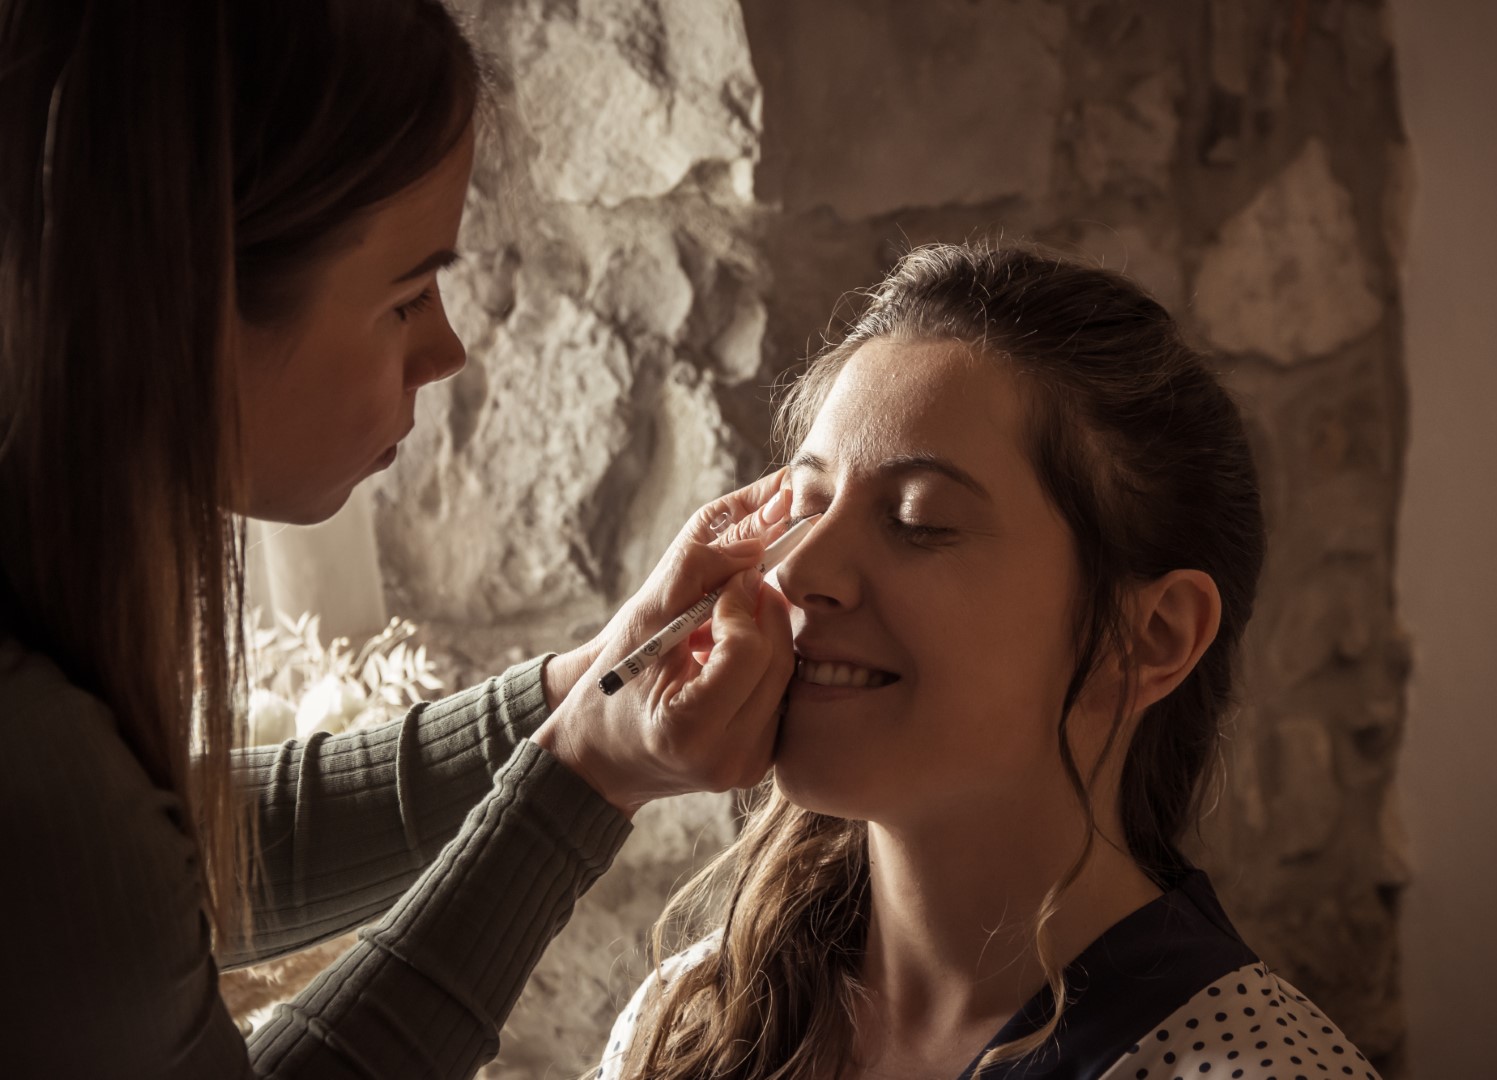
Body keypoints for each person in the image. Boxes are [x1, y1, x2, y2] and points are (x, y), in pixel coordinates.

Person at [0, 3, 797, 1076]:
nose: (448, 349)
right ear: (184, 302)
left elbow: (167, 865)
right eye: (408, 292)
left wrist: (583, 691)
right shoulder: (34, 762)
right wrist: (583, 784)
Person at [597, 245, 1384, 1080]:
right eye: (810, 506)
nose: (796, 574)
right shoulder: (685, 1019)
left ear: (1149, 638)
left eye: (918, 519)